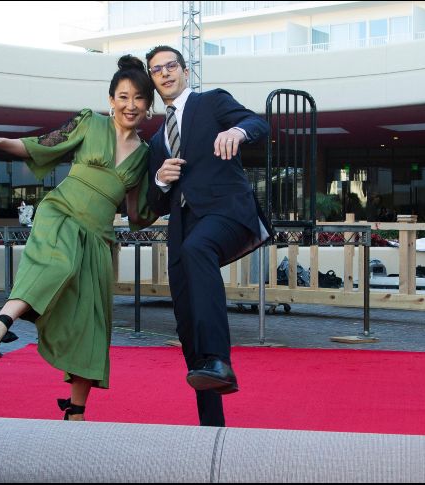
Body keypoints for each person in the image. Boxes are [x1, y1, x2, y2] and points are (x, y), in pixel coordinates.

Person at [0, 55, 157, 421]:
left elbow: (137, 214)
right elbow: (41, 144)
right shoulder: (90, 122)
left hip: (99, 239)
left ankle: (76, 411)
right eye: (123, 96)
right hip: (62, 214)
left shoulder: (145, 157)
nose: (131, 105)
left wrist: (167, 187)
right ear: (111, 100)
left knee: (91, 321)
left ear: (148, 105)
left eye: (139, 98)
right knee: (57, 264)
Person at [145, 45, 270, 427]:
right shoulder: (156, 142)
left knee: (199, 248)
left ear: (184, 71)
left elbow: (257, 124)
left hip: (227, 212)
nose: (165, 73)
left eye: (171, 66)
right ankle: (211, 426)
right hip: (183, 228)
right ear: (152, 80)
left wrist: (236, 130)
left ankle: (221, 360)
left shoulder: (211, 102)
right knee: (186, 324)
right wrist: (159, 180)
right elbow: (153, 205)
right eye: (156, 70)